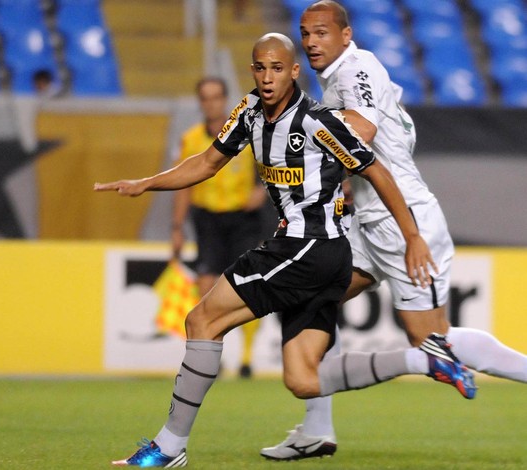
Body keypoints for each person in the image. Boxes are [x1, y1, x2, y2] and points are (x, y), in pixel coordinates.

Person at [95, 33, 475, 468]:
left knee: (202, 319)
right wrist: (147, 182)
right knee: (303, 379)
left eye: (278, 68)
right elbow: (206, 162)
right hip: (321, 257)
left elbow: (378, 172)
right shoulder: (250, 110)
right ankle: (424, 360)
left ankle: (168, 447)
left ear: (294, 72)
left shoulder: (317, 121)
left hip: (306, 247)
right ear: (253, 70)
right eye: (261, 68)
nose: (268, 77)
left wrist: (412, 237)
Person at [260, 1, 527, 461]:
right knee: (309, 299)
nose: (310, 42)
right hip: (368, 223)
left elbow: (360, 130)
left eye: (321, 33)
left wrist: (298, 128)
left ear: (346, 35)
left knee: (432, 343)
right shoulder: (341, 80)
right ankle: (317, 429)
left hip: (402, 224)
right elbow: (376, 134)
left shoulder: (358, 67)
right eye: (305, 34)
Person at [172, 76, 267, 378]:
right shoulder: (191, 139)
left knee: (248, 288)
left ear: (224, 100)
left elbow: (270, 165)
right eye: (205, 98)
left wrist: (261, 188)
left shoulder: (246, 134)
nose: (211, 103)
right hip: (207, 218)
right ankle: (209, 355)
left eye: (216, 97)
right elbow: (183, 183)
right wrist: (177, 227)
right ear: (200, 102)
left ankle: (248, 358)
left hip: (243, 219)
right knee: (206, 286)